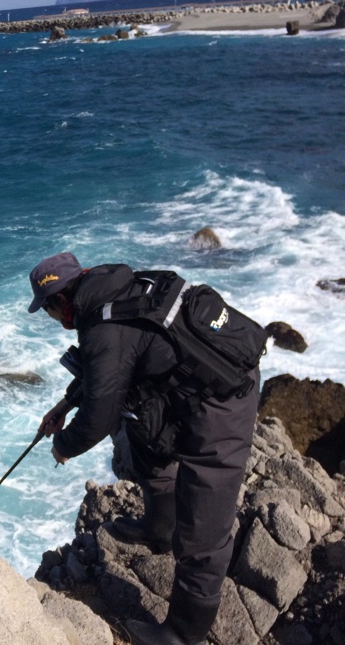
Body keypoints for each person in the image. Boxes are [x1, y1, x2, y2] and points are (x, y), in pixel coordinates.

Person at [29, 252, 260, 645]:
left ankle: (182, 633)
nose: (51, 319)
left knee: (203, 528)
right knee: (144, 440)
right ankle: (159, 529)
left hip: (222, 397)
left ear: (60, 300)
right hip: (185, 385)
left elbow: (99, 416)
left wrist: (64, 446)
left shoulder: (101, 326)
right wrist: (64, 405)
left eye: (47, 310)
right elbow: (110, 368)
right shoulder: (113, 290)